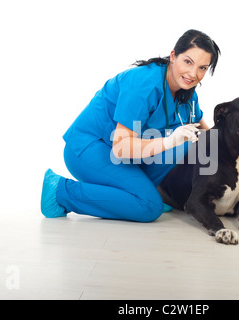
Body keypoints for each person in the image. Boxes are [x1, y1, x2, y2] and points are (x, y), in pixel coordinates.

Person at [41, 29, 221, 222]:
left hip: (126, 156)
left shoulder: (188, 93)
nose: (193, 74)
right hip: (91, 148)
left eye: (202, 68)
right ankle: (60, 191)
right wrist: (169, 141)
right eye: (188, 61)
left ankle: (139, 193)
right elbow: (120, 148)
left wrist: (230, 153)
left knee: (188, 141)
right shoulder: (143, 84)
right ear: (173, 56)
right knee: (149, 207)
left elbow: (204, 133)